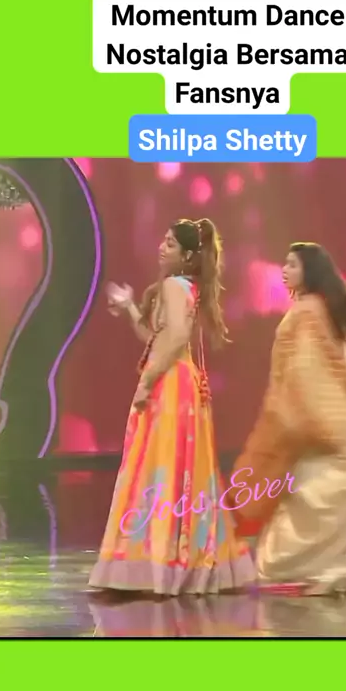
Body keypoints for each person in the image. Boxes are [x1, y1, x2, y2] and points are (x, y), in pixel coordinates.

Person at [89, 218, 255, 596]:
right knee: (171, 466)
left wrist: (147, 382)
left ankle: (162, 560)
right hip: (178, 378)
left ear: (187, 255)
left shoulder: (173, 286)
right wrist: (131, 309)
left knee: (161, 465)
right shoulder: (181, 286)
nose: (161, 248)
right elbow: (157, 339)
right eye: (162, 241)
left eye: (170, 243)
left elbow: (177, 336)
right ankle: (173, 557)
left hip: (171, 382)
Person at [229, 242, 346, 596]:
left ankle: (307, 570)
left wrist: (292, 422)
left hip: (319, 419)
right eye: (285, 263)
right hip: (339, 413)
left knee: (308, 492)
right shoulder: (321, 308)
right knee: (319, 491)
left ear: (310, 271)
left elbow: (307, 373)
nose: (285, 270)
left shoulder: (307, 312)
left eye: (292, 264)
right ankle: (328, 568)